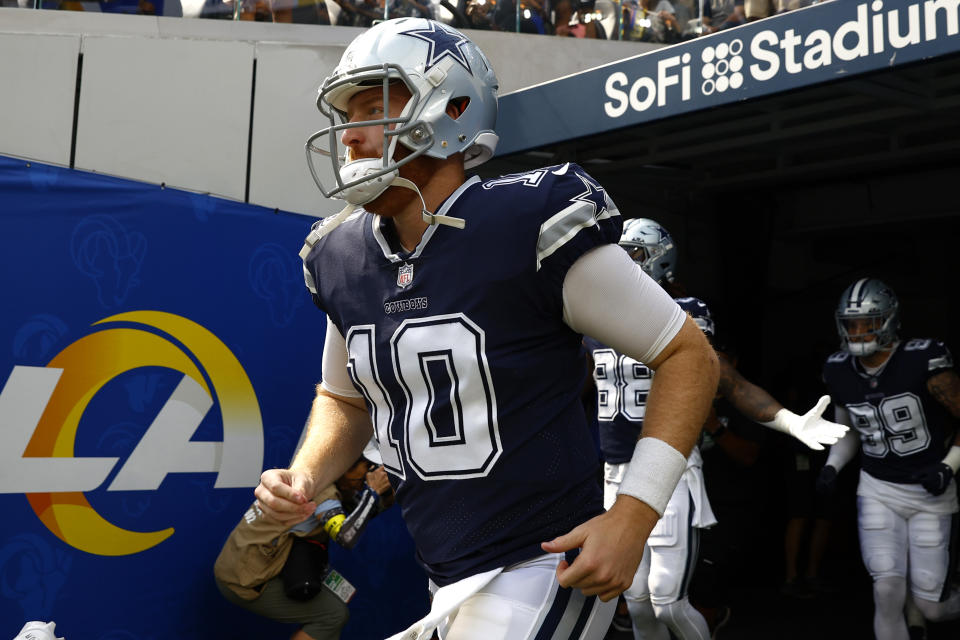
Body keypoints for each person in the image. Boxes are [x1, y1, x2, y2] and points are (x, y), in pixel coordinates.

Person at [256, 17, 720, 640]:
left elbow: (688, 354)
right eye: (347, 112)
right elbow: (343, 397)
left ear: (450, 110)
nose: (352, 135)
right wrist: (306, 476)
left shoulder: (524, 223)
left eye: (373, 106)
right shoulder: (339, 255)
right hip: (446, 571)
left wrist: (634, 513)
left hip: (544, 559)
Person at [586, 221, 846, 639]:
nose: (621, 263)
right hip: (615, 472)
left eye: (632, 253)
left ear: (659, 260)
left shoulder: (682, 312)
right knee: (636, 602)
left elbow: (727, 380)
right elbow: (562, 381)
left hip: (667, 467)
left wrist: (787, 420)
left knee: (667, 600)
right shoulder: (594, 313)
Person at [817, 278, 960, 640]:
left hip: (931, 491)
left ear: (889, 320)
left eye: (867, 322)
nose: (858, 331)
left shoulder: (922, 358)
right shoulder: (837, 368)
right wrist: (833, 466)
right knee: (886, 588)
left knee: (934, 607)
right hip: (878, 487)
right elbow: (848, 430)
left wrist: (949, 465)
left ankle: (926, 609)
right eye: (851, 324)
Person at [215, 456, 394, 640]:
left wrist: (385, 493)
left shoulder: (317, 475)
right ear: (346, 466)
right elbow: (346, 536)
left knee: (332, 613)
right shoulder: (321, 491)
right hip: (245, 579)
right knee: (332, 615)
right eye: (367, 466)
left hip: (242, 563)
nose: (369, 473)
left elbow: (359, 513)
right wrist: (372, 492)